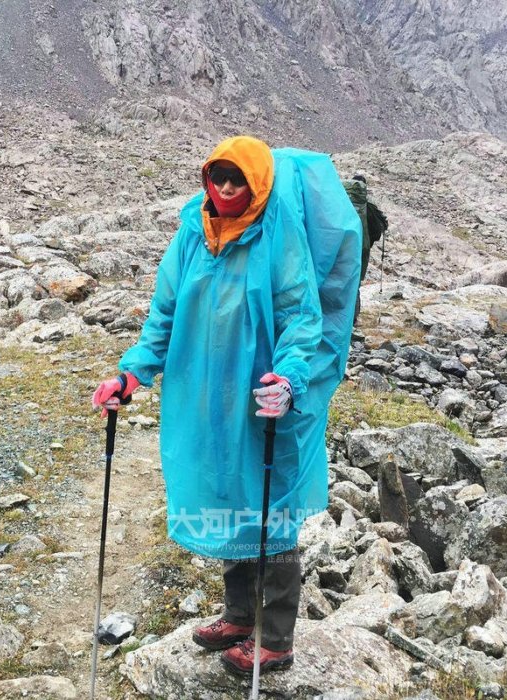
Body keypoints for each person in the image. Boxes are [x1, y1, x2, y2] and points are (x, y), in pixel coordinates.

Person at [93, 136, 361, 677]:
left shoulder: (277, 234)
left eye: (238, 178)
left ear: (258, 183)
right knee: (231, 495)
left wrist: (288, 379)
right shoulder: (194, 229)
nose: (226, 187)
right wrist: (131, 373)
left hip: (265, 399)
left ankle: (277, 639)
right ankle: (239, 615)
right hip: (207, 396)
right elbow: (164, 314)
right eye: (218, 175)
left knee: (272, 510)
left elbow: (303, 318)